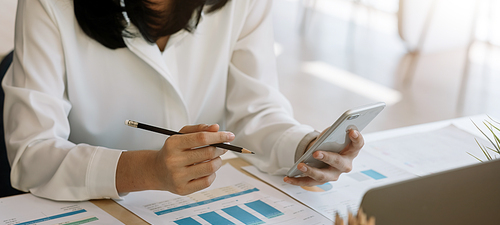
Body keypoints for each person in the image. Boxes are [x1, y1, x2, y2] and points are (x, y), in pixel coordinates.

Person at [2, 0, 364, 201]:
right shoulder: (47, 4)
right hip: (91, 208)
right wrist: (145, 170)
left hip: (191, 211)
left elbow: (256, 111)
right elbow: (31, 153)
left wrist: (305, 147)